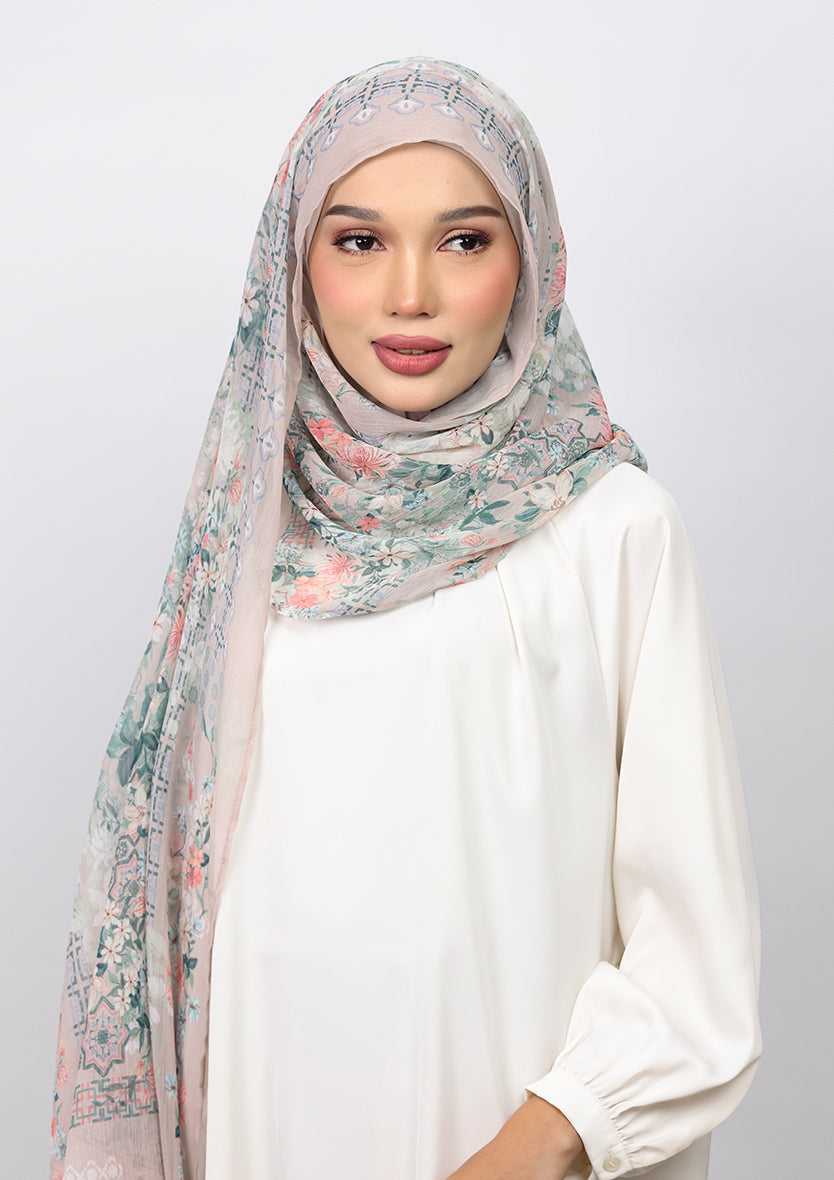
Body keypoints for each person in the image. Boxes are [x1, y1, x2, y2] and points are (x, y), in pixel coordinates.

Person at [51, 58, 761, 1180]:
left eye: (465, 240)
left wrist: (532, 1150)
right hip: (267, 1133)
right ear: (295, 266)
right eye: (359, 241)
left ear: (532, 262)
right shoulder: (239, 540)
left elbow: (696, 956)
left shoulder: (616, 530)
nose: (411, 294)